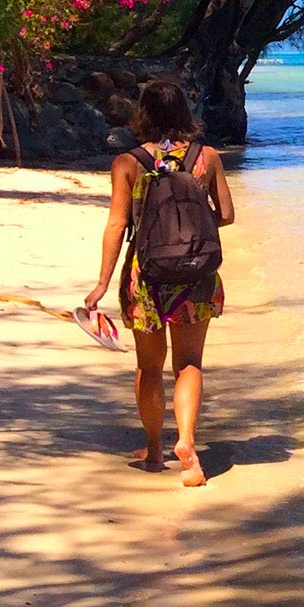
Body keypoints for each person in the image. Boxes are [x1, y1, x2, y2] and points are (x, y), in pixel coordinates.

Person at [81, 79, 235, 486]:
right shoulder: (208, 158)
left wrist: (100, 284)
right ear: (185, 113)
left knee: (148, 367)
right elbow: (227, 215)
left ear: (142, 114)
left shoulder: (127, 163)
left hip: (145, 275)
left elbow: (117, 224)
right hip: (196, 275)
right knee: (188, 364)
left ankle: (153, 451)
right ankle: (186, 442)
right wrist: (190, 229)